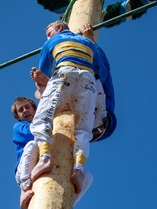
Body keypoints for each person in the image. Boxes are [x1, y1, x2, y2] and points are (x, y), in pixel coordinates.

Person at [29, 21, 106, 194]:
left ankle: (45, 157)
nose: (48, 37)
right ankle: (78, 170)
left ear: (59, 29)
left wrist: (40, 84)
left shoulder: (50, 43)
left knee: (41, 119)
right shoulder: (88, 42)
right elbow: (102, 71)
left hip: (64, 73)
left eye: (49, 33)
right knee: (83, 129)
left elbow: (44, 73)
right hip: (89, 80)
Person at [11, 97, 39, 209]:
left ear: (35, 109)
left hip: (38, 164)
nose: (25, 110)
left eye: (27, 107)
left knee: (88, 177)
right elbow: (32, 134)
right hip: (24, 170)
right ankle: (24, 189)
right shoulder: (19, 127)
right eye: (21, 110)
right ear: (18, 116)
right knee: (32, 145)